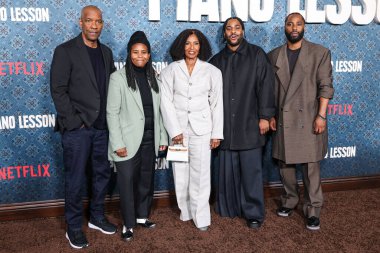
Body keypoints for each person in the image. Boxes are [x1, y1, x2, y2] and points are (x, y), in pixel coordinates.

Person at [50, 5, 117, 249]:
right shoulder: (65, 51)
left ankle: (97, 217)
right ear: (81, 23)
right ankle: (73, 227)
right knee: (76, 179)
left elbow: (109, 89)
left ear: (102, 24)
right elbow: (58, 89)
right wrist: (74, 122)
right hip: (78, 129)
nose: (94, 26)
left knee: (101, 175)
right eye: (89, 21)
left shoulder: (107, 53)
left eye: (98, 21)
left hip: (102, 128)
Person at [268, 12, 334, 230]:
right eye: (290, 24)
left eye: (298, 23)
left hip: (309, 118)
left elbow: (326, 86)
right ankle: (289, 200)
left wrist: (321, 115)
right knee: (285, 164)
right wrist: (271, 115)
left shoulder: (319, 53)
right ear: (284, 28)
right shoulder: (274, 55)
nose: (294, 27)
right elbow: (270, 91)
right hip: (283, 119)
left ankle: (313, 209)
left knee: (310, 167)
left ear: (304, 27)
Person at [209, 17, 275, 229]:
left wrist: (265, 117)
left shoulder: (257, 55)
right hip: (226, 127)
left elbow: (266, 87)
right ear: (224, 34)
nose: (233, 32)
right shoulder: (216, 61)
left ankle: (254, 213)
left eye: (237, 28)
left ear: (243, 31)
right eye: (229, 28)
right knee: (227, 170)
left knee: (251, 172)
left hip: (250, 124)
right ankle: (228, 208)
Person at [160, 29, 223, 231]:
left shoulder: (212, 71)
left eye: (196, 43)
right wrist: (174, 130)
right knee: (180, 172)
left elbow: (217, 104)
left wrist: (216, 133)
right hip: (178, 131)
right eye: (187, 43)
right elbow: (165, 101)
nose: (192, 48)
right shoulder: (170, 70)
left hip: (203, 130)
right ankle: (185, 210)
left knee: (201, 174)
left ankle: (201, 216)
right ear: (181, 46)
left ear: (201, 46)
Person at [107, 31, 168, 241]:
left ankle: (142, 216)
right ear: (129, 53)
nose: (140, 56)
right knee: (126, 183)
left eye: (144, 52)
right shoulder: (118, 78)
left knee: (146, 180)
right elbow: (112, 113)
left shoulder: (154, 78)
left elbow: (159, 112)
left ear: (149, 55)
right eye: (135, 52)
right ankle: (128, 224)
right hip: (127, 141)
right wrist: (117, 143)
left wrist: (162, 139)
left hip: (150, 139)